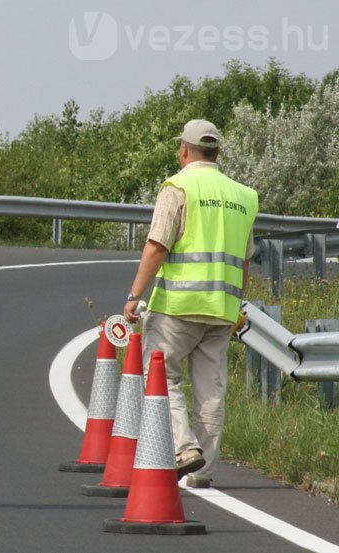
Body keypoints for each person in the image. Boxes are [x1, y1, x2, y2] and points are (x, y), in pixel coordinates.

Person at [122, 119, 258, 489]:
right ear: (217, 152)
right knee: (211, 390)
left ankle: (184, 448)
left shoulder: (177, 186)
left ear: (184, 149)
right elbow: (245, 260)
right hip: (222, 308)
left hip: (177, 306)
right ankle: (204, 471)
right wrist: (236, 304)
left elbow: (157, 245)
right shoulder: (244, 195)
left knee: (162, 375)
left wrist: (135, 296)